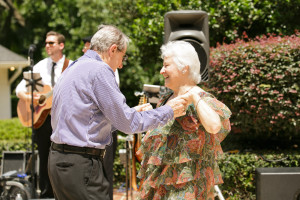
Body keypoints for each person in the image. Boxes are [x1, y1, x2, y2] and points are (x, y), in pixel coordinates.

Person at [48, 24, 189, 200]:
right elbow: (130, 124)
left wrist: (128, 113)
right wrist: (168, 111)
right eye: (123, 57)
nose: (121, 65)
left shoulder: (73, 67)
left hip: (59, 161)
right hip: (81, 164)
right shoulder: (100, 70)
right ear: (113, 49)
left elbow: (85, 121)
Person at [137, 41, 232, 200]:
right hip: (160, 189)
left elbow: (215, 126)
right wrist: (150, 116)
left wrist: (194, 97)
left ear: (184, 67)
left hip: (187, 190)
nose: (161, 71)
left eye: (166, 65)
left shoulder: (201, 98)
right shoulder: (167, 98)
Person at [15, 31, 72, 198]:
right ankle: (46, 193)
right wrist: (29, 97)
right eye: (46, 43)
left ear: (61, 45)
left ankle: (63, 194)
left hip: (63, 119)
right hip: (43, 120)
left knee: (64, 157)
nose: (47, 45)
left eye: (51, 43)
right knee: (44, 156)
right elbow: (19, 89)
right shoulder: (40, 65)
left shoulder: (71, 66)